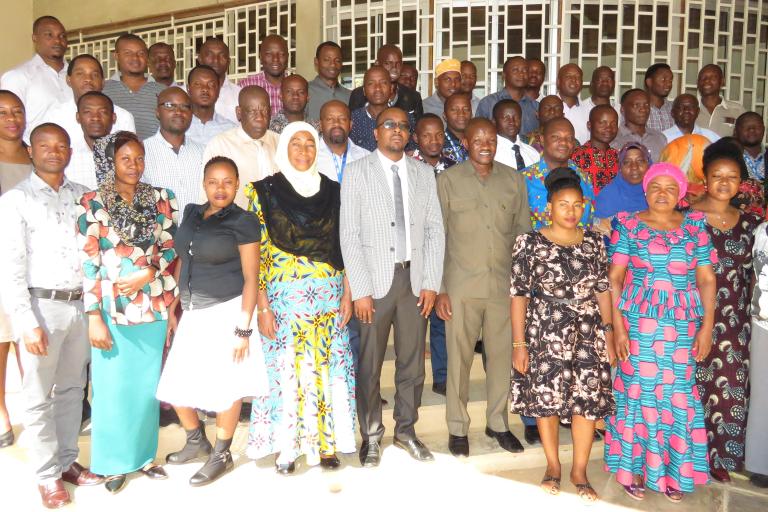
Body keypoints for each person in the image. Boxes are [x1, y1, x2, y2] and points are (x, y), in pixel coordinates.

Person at [0, 123, 103, 508]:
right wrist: (26, 322)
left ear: (70, 152)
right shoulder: (15, 201)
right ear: (31, 151)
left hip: (81, 306)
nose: (54, 152)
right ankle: (46, 475)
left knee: (74, 390)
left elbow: (95, 254)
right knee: (38, 395)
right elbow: (9, 266)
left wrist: (94, 306)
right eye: (45, 145)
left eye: (61, 146)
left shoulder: (82, 197)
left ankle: (67, 461)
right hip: (42, 307)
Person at [245, 122, 356, 474]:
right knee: (289, 372)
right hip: (283, 303)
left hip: (328, 299)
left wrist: (349, 294)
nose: (304, 151)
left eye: (310, 143)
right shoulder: (262, 191)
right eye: (296, 143)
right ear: (283, 149)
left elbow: (347, 246)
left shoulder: (335, 192)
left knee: (326, 371)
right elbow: (256, 254)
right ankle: (287, 448)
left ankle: (327, 445)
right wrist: (262, 306)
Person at [605, 163, 716, 502]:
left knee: (676, 395)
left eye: (671, 187)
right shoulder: (628, 226)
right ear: (646, 189)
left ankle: (672, 470)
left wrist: (707, 326)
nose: (663, 193)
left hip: (682, 327)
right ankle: (633, 469)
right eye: (656, 186)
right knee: (638, 392)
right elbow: (614, 279)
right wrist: (618, 330)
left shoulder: (695, 227)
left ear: (681, 192)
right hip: (638, 325)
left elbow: (707, 279)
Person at [340, 107, 445, 467]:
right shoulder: (356, 173)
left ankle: (406, 431)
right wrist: (360, 290)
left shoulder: (423, 173)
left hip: (414, 281)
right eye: (390, 124)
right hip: (374, 284)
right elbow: (349, 235)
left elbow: (434, 231)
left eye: (403, 126)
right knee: (369, 365)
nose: (397, 131)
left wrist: (431, 282)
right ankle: (370, 436)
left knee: (413, 364)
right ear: (376, 130)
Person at [77, 131, 178, 494]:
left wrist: (150, 271)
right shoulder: (92, 203)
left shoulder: (161, 199)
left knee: (145, 388)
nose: (134, 166)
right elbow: (89, 262)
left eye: (139, 158)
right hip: (111, 309)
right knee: (110, 389)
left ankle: (144, 456)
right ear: (111, 161)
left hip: (152, 303)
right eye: (125, 159)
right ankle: (110, 462)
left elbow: (171, 246)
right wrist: (93, 315)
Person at [156, 156, 267, 485]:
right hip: (192, 311)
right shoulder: (191, 212)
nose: (221, 188)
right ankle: (196, 440)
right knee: (174, 384)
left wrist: (244, 328)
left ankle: (222, 453)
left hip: (228, 309)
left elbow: (251, 277)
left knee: (227, 385)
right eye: (214, 182)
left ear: (237, 184)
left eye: (228, 182)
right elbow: (183, 257)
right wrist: (176, 301)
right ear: (204, 184)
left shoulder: (244, 221)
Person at [510, 167, 615, 503]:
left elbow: (602, 290)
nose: (571, 211)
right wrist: (519, 344)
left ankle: (579, 471)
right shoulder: (529, 242)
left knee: (586, 401)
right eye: (564, 204)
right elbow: (518, 295)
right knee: (547, 401)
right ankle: (553, 466)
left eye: (577, 205)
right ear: (549, 207)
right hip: (545, 330)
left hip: (588, 331)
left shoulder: (596, 242)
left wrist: (610, 333)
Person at [436, 118, 530, 457]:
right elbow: (437, 237)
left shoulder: (513, 180)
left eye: (491, 138)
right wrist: (441, 288)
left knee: (502, 358)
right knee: (458, 359)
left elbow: (522, 236)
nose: (485, 143)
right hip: (460, 285)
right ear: (465, 142)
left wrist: (522, 288)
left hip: (503, 285)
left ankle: (498, 423)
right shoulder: (448, 181)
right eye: (478, 138)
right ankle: (458, 427)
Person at [691, 139, 761, 483]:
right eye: (716, 175)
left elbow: (753, 275)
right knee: (690, 386)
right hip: (690, 316)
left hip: (734, 319)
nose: (723, 182)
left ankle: (719, 457)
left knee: (729, 387)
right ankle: (688, 454)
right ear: (704, 178)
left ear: (740, 182)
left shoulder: (750, 224)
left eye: (731, 177)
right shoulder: (686, 218)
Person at [409, 113, 457, 396]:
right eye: (426, 135)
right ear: (416, 137)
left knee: (441, 318)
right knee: (415, 323)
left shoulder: (454, 167)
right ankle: (414, 376)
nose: (433, 140)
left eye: (438, 134)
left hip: (445, 251)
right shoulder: (407, 167)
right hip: (414, 253)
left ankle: (442, 375)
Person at [0, 91, 32, 448]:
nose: (11, 118)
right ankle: (2, 412)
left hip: (34, 260)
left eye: (17, 111)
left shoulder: (35, 153)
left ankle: (36, 407)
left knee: (29, 336)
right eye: (3, 112)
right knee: (0, 339)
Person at [204, 85, 279, 209]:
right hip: (235, 225)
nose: (260, 117)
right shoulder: (220, 145)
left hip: (278, 225)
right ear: (239, 113)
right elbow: (207, 196)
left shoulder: (281, 143)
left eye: (264, 110)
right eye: (252, 111)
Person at [1, 16, 71, 142]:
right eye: (49, 35)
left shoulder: (77, 77)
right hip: (33, 156)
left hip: (77, 155)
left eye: (62, 36)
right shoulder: (17, 77)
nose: (57, 41)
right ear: (35, 38)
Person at [41, 54, 135, 146]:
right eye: (80, 74)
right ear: (68, 80)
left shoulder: (123, 117)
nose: (88, 79)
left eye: (94, 74)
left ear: (103, 82)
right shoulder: (54, 116)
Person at [521, 118, 595, 230]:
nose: (564, 142)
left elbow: (591, 220)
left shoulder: (584, 178)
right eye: (556, 137)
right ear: (542, 139)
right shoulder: (523, 180)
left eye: (569, 138)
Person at [143, 87, 205, 219]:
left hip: (199, 235)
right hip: (159, 236)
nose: (178, 112)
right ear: (157, 112)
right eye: (170, 105)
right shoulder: (141, 152)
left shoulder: (204, 152)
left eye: (185, 106)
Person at [103, 34, 166, 140]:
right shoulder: (103, 90)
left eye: (141, 53)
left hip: (155, 155)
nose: (135, 58)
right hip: (116, 154)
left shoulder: (164, 91)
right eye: (128, 53)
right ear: (116, 56)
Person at [350, 66, 415, 152]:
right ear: (364, 91)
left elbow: (413, 153)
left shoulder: (406, 119)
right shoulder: (353, 119)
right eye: (371, 83)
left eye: (383, 83)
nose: (378, 88)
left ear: (391, 88)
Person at [349, 44, 424, 119]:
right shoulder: (358, 95)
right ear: (377, 64)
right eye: (388, 63)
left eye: (398, 64)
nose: (394, 68)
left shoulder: (413, 97)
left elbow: (418, 128)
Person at [748, 221, 768, 489]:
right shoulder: (761, 231)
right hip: (762, 320)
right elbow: (754, 273)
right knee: (762, 394)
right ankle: (761, 462)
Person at [594, 142, 652, 233]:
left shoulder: (658, 193)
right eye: (627, 162)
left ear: (648, 165)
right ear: (620, 168)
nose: (634, 167)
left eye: (640, 161)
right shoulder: (607, 197)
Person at [64, 91, 117, 190]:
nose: (96, 118)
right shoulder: (67, 156)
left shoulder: (126, 154)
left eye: (103, 112)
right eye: (88, 112)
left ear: (113, 117)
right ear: (78, 117)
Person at [477, 56, 538, 136]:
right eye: (515, 70)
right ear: (504, 75)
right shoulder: (488, 103)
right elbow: (478, 133)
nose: (521, 74)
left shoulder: (535, 106)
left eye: (525, 70)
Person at [316, 100, 369, 183]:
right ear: (320, 126)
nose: (336, 123)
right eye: (330, 119)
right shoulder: (310, 157)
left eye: (342, 119)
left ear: (350, 125)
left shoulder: (366, 157)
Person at [571, 104, 620, 193]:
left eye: (613, 124)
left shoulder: (619, 156)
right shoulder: (578, 156)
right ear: (589, 125)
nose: (609, 128)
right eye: (602, 123)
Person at [186, 64, 237, 147]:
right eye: (198, 84)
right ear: (188, 89)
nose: (205, 89)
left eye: (211, 85)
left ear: (218, 90)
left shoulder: (231, 130)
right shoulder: (177, 126)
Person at [239, 34, 289, 117]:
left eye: (281, 54)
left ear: (288, 57)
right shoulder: (245, 86)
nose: (275, 59)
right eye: (269, 54)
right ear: (260, 57)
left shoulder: (297, 88)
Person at [611, 89, 667, 162]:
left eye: (646, 105)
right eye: (636, 105)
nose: (643, 109)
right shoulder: (614, 140)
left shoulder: (660, 138)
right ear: (622, 109)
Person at [196, 37, 242, 124]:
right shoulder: (184, 94)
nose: (216, 60)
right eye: (210, 55)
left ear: (228, 61)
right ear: (200, 59)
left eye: (222, 56)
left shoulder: (239, 95)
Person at [696, 64, 745, 138]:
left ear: (722, 81)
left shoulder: (738, 110)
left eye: (712, 77)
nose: (706, 80)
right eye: (702, 77)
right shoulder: (690, 110)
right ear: (697, 83)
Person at [307, 41, 351, 120]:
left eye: (337, 60)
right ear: (316, 62)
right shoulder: (304, 91)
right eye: (327, 60)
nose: (333, 64)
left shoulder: (350, 96)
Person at [492, 99, 539, 171]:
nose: (512, 122)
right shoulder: (491, 155)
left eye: (516, 117)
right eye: (506, 118)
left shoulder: (533, 153)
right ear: (494, 122)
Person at [556, 64, 591, 145]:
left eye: (578, 77)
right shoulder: (548, 108)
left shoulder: (590, 111)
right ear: (558, 82)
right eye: (568, 76)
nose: (574, 80)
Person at [735, 111, 766, 183]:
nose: (751, 129)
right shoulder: (728, 157)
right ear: (736, 131)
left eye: (757, 126)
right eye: (745, 126)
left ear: (764, 130)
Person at [442, 93, 472, 164]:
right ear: (444, 116)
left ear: (472, 114)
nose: (461, 114)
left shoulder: (478, 142)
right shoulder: (439, 143)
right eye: (454, 110)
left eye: (466, 109)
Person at [644, 63, 675, 132]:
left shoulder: (675, 108)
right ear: (649, 82)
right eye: (663, 79)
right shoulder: (639, 109)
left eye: (670, 80)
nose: (669, 84)